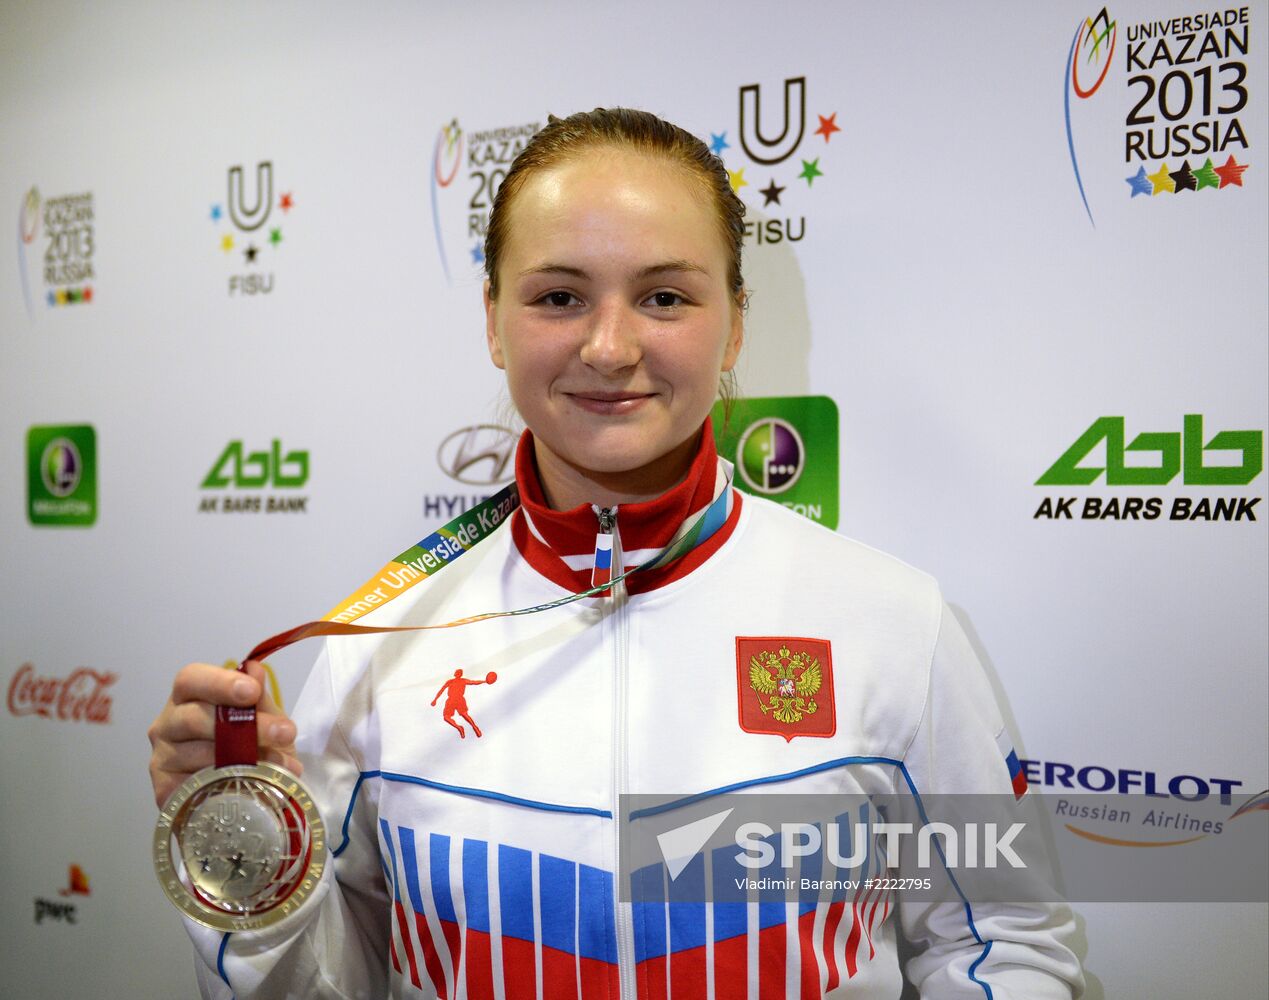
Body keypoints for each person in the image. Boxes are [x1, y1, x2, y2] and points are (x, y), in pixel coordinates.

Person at [148, 108, 1084, 999]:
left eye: (664, 296)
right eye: (558, 296)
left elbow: (999, 939)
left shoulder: (890, 621)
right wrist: (245, 851)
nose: (608, 346)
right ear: (491, 320)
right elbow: (321, 983)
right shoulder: (379, 638)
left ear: (736, 324)